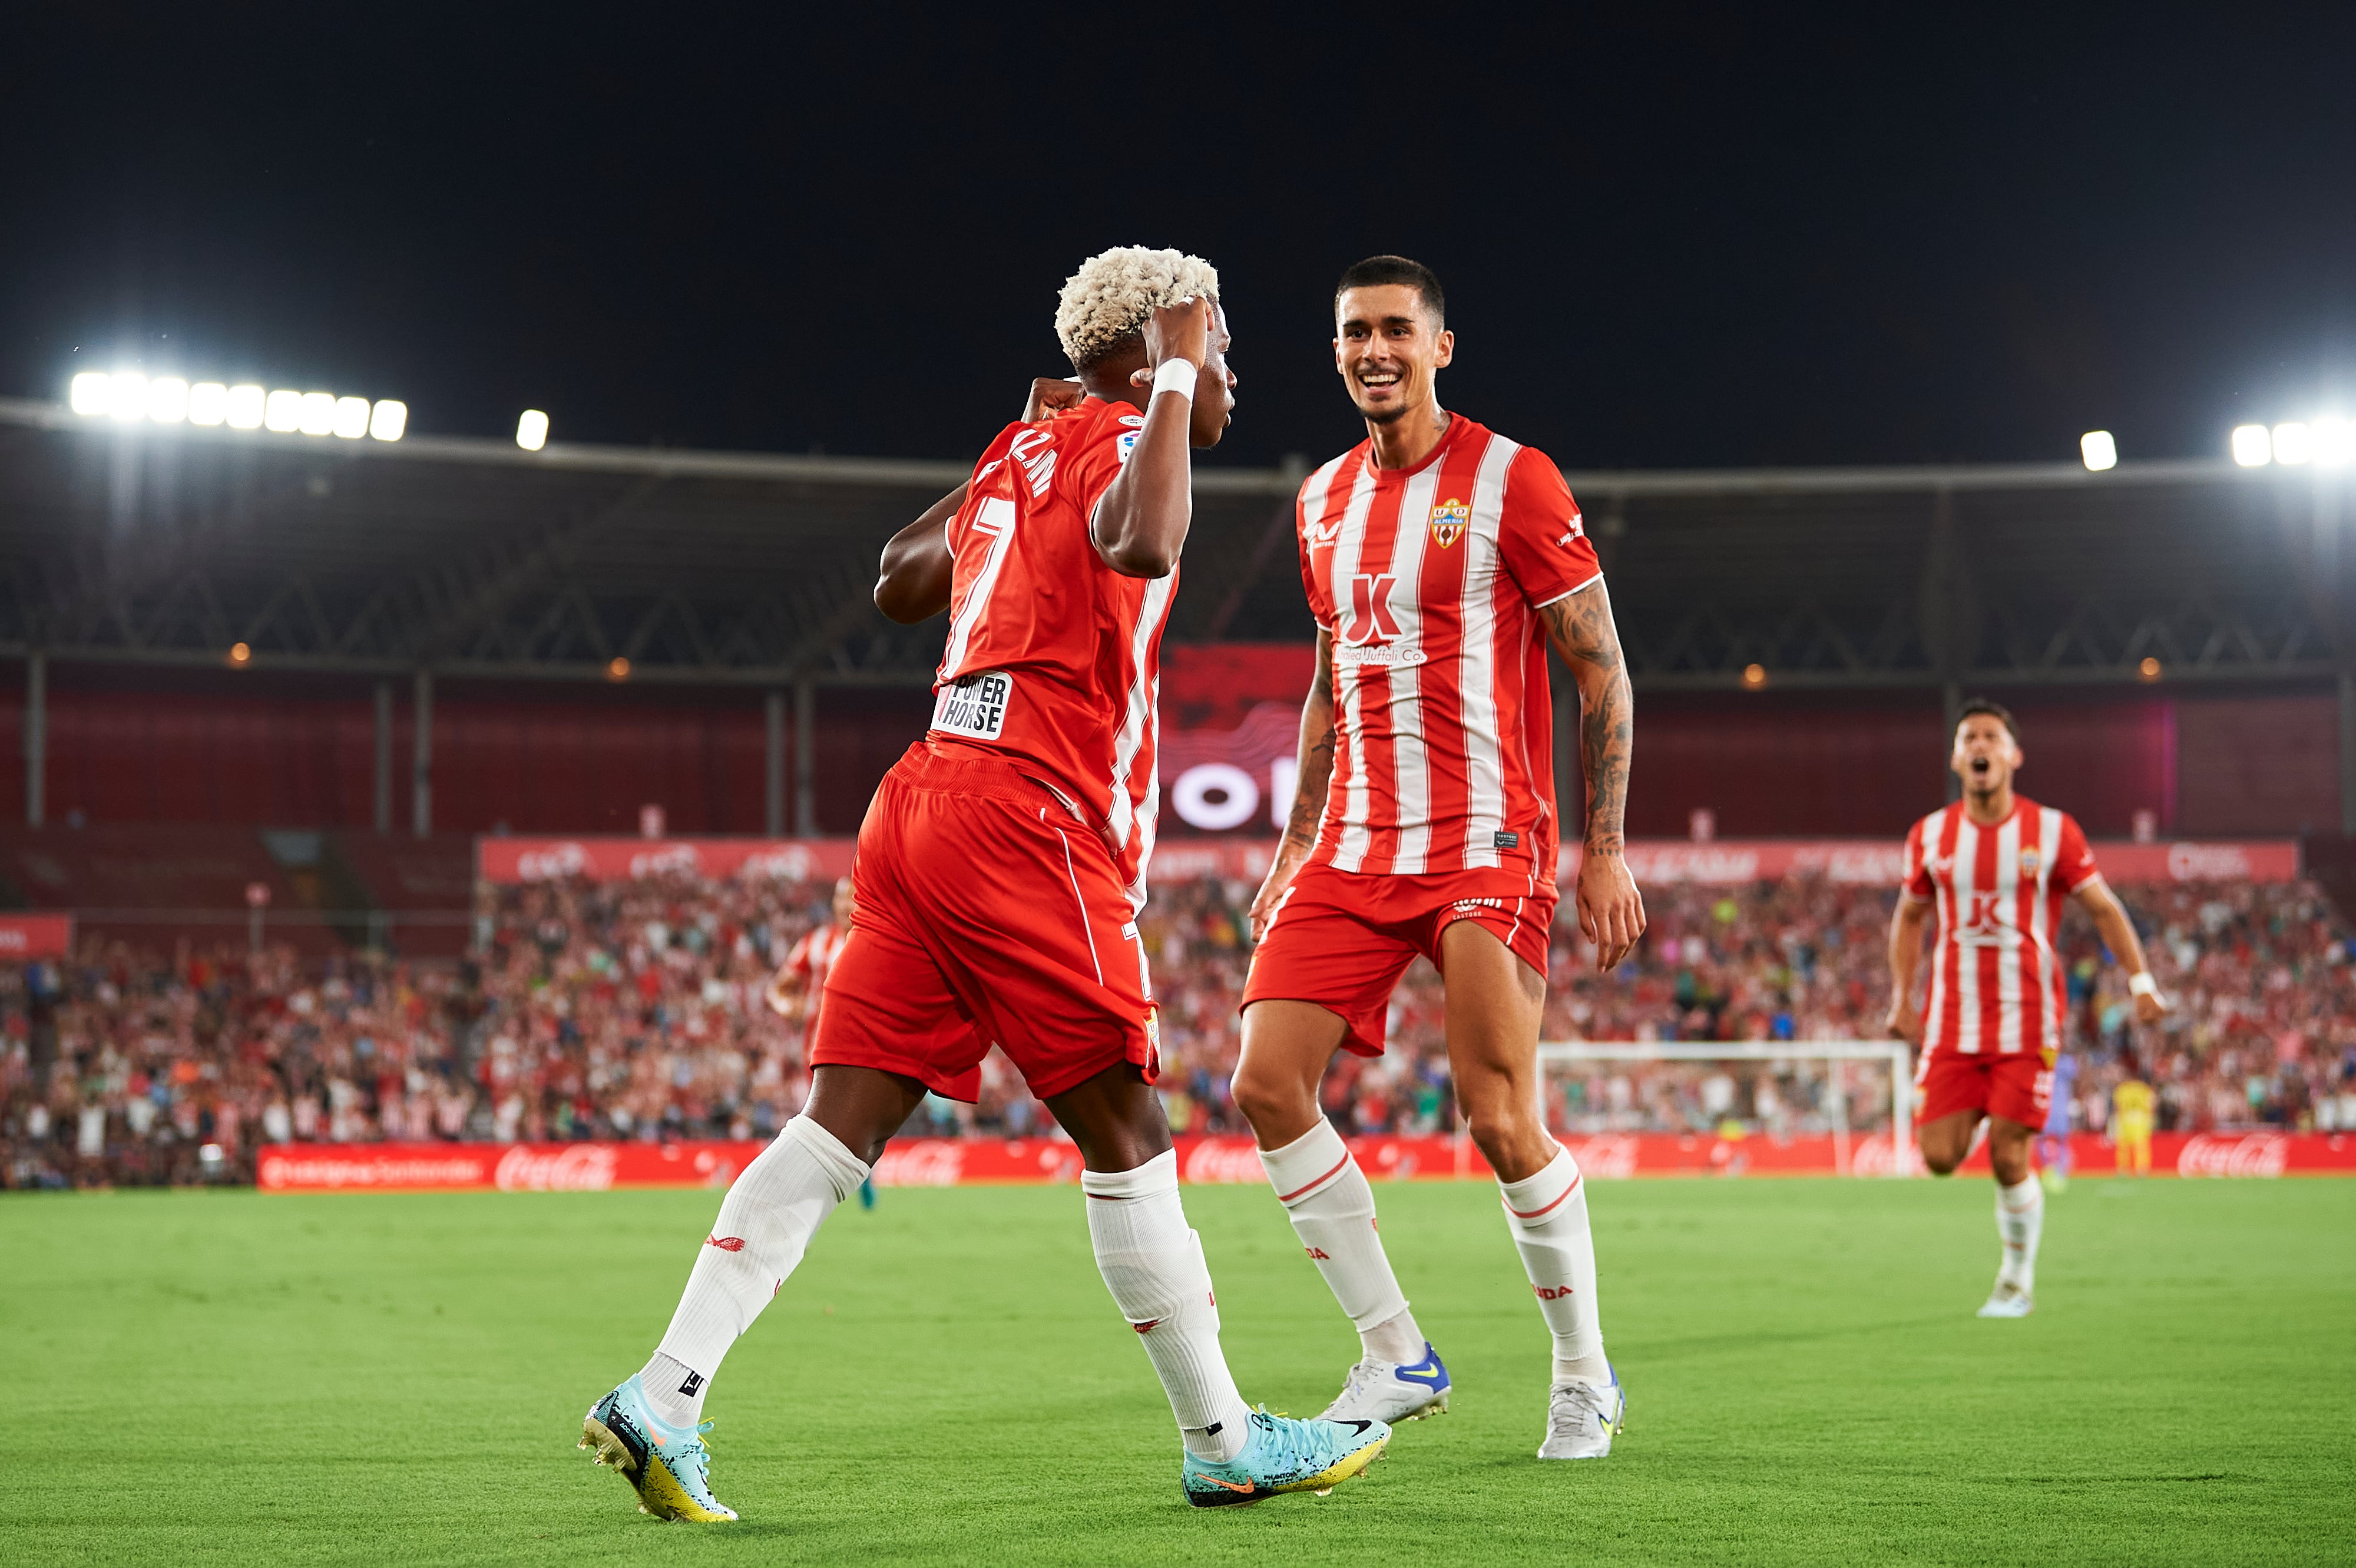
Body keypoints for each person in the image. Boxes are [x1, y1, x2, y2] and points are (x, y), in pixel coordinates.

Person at [580, 247, 1390, 1520]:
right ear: (1153, 347)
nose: (1232, 370)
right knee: (1127, 1132)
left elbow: (900, 576)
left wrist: (1019, 441)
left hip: (921, 800)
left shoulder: (1022, 453)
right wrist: (1170, 378)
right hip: (1030, 815)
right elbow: (1145, 535)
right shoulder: (1122, 438)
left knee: (835, 1122)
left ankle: (663, 1392)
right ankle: (1222, 1434)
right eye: (1218, 342)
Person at [1233, 256, 1646, 1461]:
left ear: (1440, 346)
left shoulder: (1514, 479)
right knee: (1264, 1084)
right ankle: (1393, 1351)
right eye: (1353, 332)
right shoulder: (1317, 501)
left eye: (1394, 331)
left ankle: (1582, 1373)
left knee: (1497, 1114)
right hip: (1353, 847)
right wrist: (1294, 840)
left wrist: (1605, 850)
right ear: (1334, 351)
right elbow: (1325, 682)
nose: (1374, 349)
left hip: (1483, 843)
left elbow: (1599, 666)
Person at [1886, 700, 2170, 1316]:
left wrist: (2140, 979)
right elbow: (1908, 917)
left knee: (2008, 1154)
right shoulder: (1929, 835)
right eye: (1969, 738)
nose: (1980, 744)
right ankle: (1991, 1108)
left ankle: (2015, 1279)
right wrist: (1900, 998)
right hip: (1952, 1021)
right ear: (1958, 758)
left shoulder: (2052, 831)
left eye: (1992, 735)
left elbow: (2102, 907)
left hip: (2028, 1017)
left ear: (2012, 755)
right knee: (1938, 1157)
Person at [765, 877, 874, 1208]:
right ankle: (805, 1196)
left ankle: (858, 1168)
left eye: (854, 898)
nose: (847, 905)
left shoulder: (875, 943)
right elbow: (778, 988)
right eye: (842, 898)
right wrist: (787, 1006)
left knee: (858, 1120)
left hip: (864, 1049)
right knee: (815, 1123)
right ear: (834, 905)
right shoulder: (815, 944)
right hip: (817, 1050)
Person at [2036, 1050, 2078, 1193]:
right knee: (2060, 1143)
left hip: (2045, 1108)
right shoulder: (2066, 1062)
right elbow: (2074, 1074)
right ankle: (2061, 1173)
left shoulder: (2040, 1061)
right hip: (2059, 1111)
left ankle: (2051, 1171)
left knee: (2043, 1141)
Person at [2112, 1056, 2156, 1176]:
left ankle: (2123, 1169)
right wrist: (2151, 1120)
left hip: (2125, 1119)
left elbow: (2117, 1107)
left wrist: (2115, 1122)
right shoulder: (2145, 1089)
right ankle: (2142, 1169)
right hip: (2141, 1119)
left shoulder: (2122, 1089)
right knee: (2141, 1146)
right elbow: (2152, 1106)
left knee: (2124, 1147)